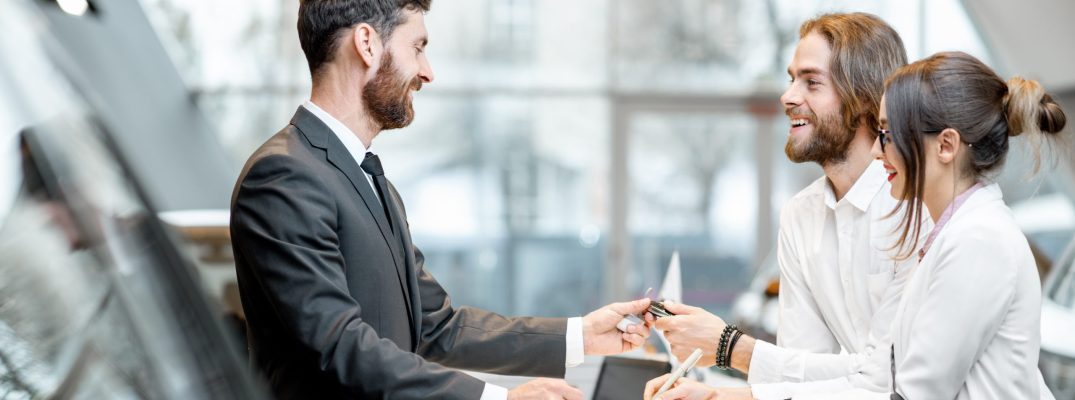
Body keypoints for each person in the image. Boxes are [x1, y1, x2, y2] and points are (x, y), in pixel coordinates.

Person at [229, 1, 651, 399]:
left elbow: (436, 328)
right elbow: (340, 345)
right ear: (367, 44)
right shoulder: (284, 176)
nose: (427, 72)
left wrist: (582, 335)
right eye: (418, 47)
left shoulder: (371, 180)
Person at [647, 51, 1066, 400]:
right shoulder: (952, 233)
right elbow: (877, 377)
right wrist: (726, 395)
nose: (879, 153)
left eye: (887, 135)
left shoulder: (977, 240)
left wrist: (732, 374)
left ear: (946, 145)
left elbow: (906, 393)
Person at [648, 12, 915, 399]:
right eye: (792, 79)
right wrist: (715, 396)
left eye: (811, 82)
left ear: (863, 99)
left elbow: (888, 378)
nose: (788, 97)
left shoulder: (915, 208)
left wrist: (729, 348)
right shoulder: (800, 216)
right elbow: (803, 373)